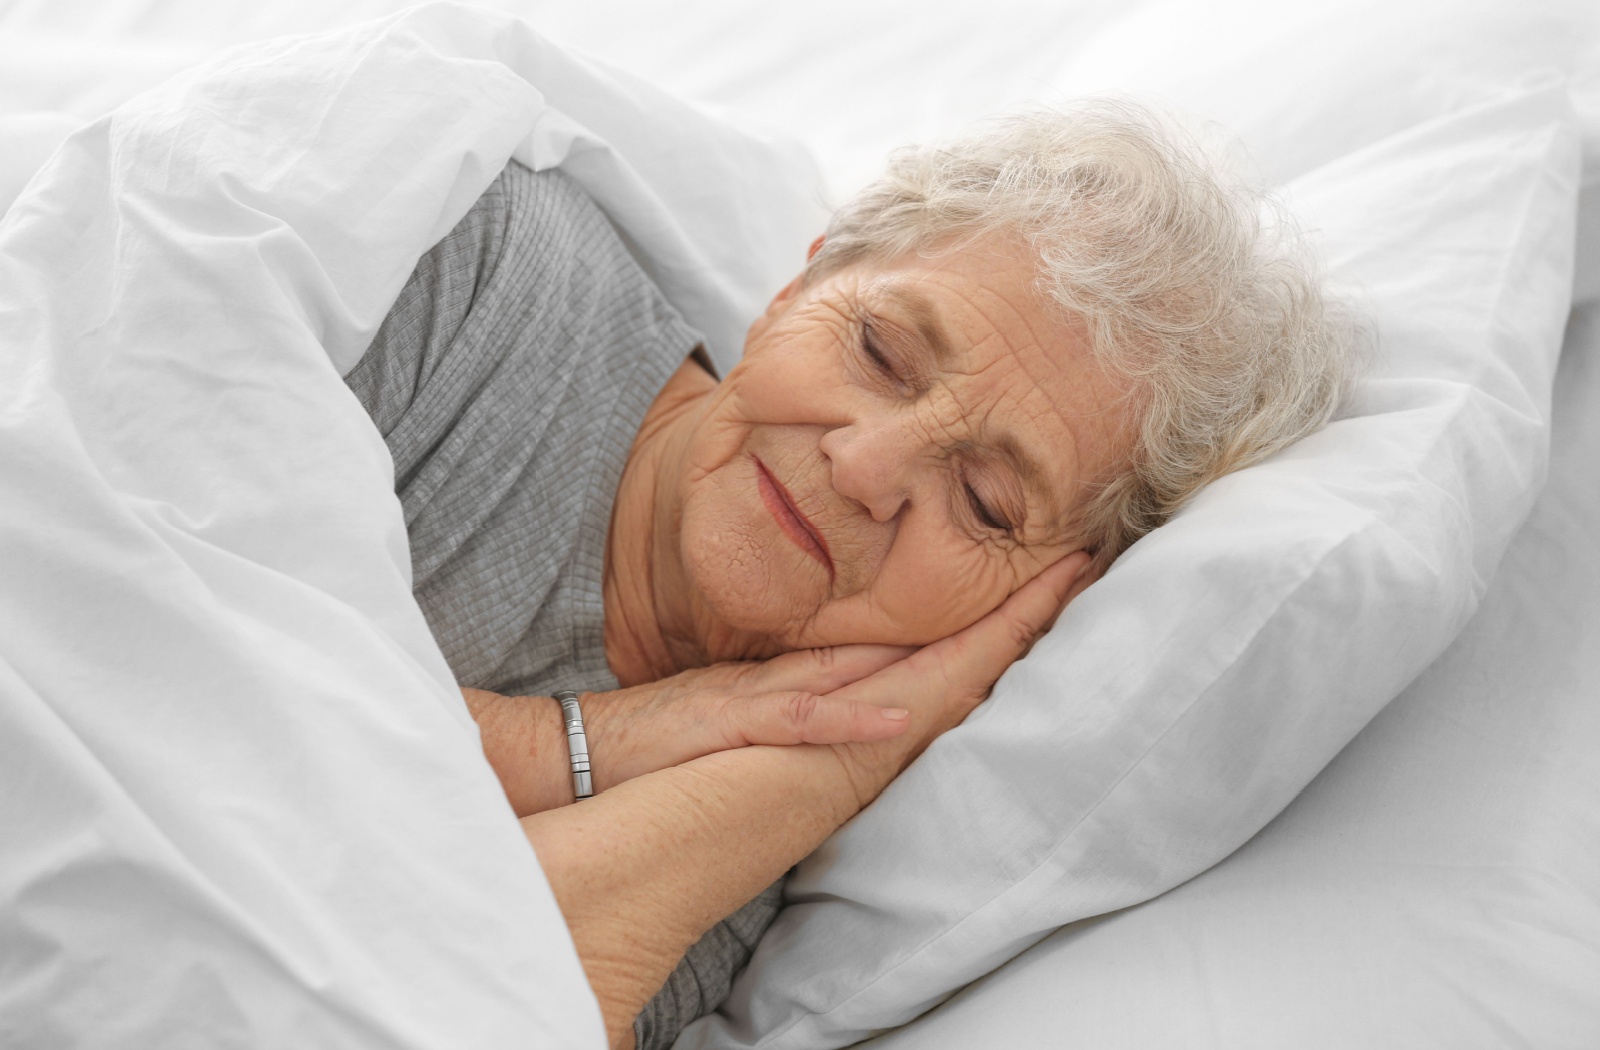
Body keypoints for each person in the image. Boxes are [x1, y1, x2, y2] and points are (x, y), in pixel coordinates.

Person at [345, 100, 1354, 1050]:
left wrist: (836, 762)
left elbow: (403, 1005)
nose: (863, 467)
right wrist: (589, 744)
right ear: (796, 290)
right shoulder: (468, 271)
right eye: (879, 352)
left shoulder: (747, 852)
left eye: (988, 503)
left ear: (1043, 604)